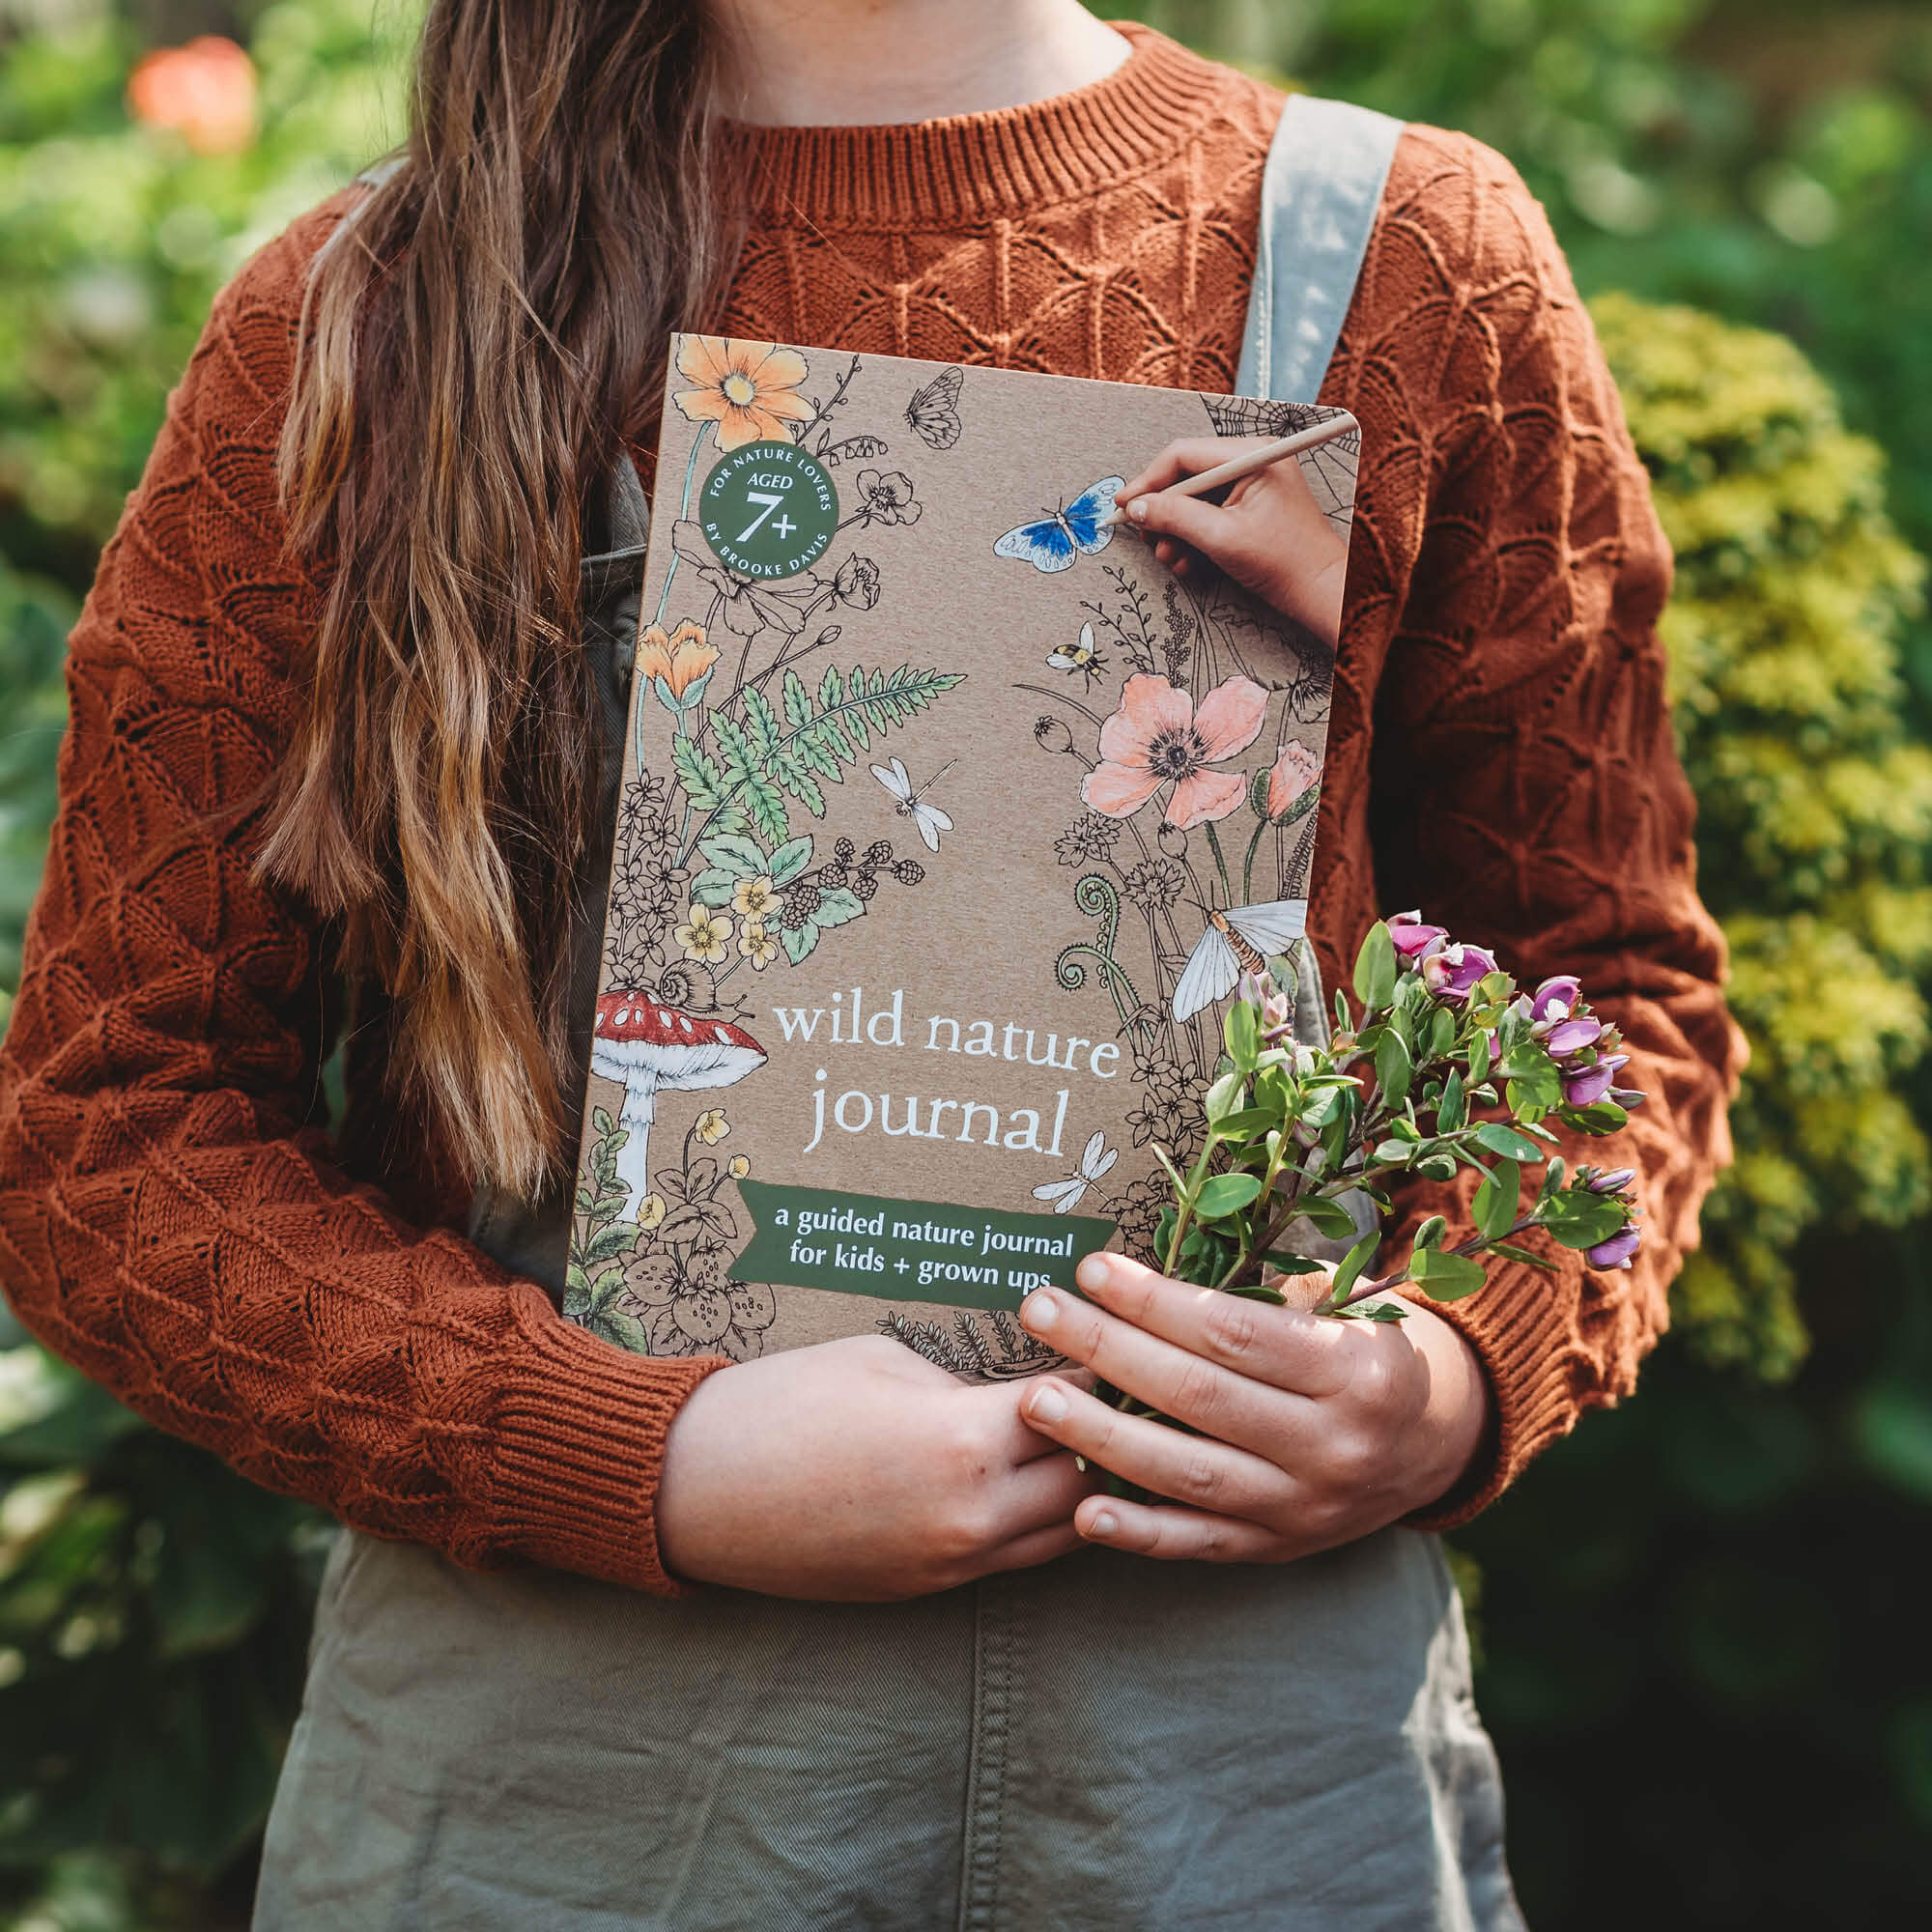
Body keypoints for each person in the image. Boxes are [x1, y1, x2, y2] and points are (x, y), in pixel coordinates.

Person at [0, 2, 1744, 1924]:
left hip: (1236, 1765)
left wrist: (1444, 1374)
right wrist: (626, 1453)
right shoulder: (375, 313)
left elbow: (1605, 990)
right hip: (573, 1773)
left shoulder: (1399, 258)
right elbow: (109, 1132)